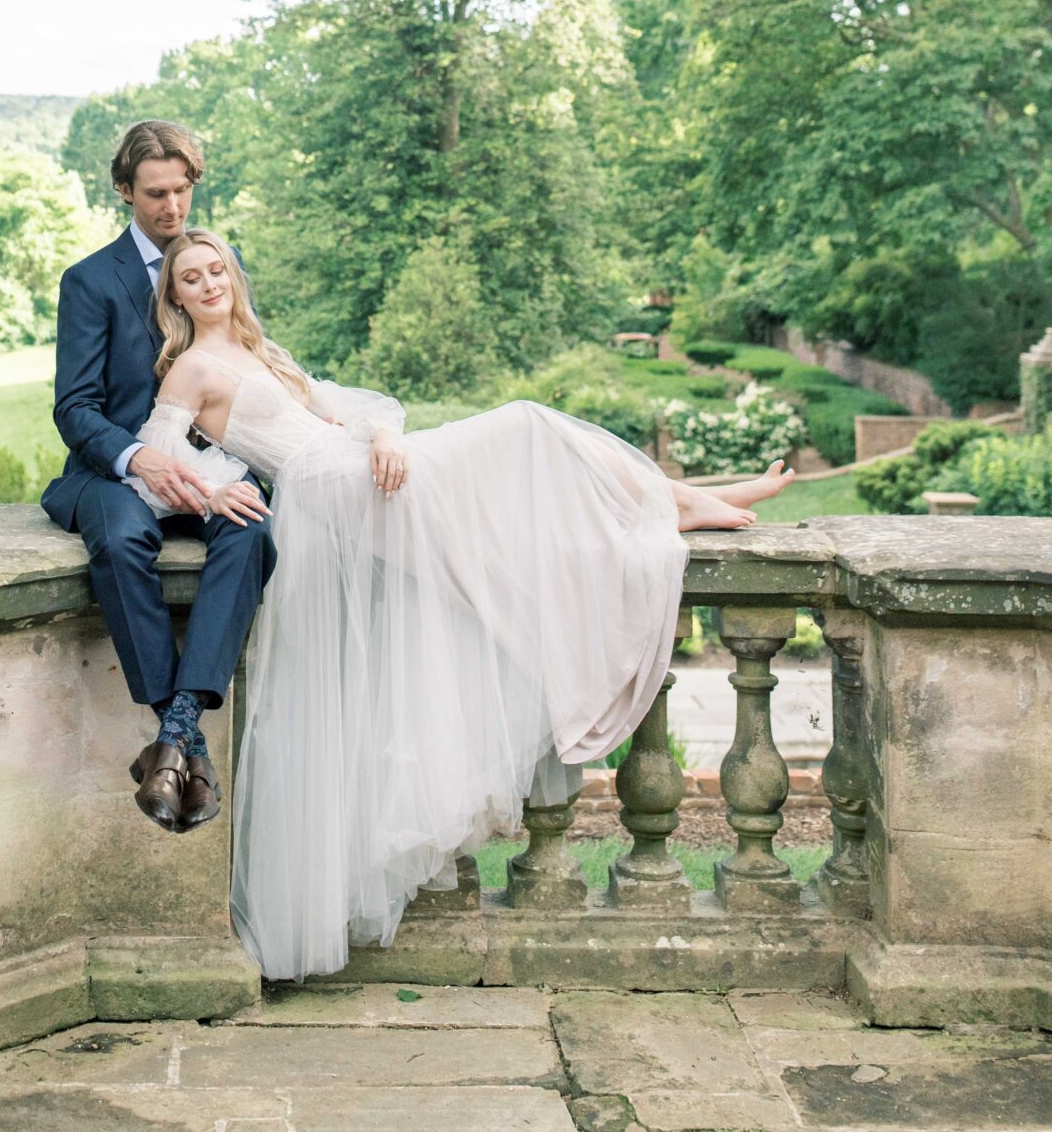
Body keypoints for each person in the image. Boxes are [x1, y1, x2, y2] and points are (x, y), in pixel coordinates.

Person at [129, 228, 794, 983]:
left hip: (362, 470)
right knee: (525, 427)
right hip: (334, 496)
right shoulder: (190, 368)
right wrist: (215, 489)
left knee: (525, 484)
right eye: (192, 276)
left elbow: (346, 405)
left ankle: (683, 502)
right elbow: (153, 464)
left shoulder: (259, 349)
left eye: (218, 268)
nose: (211, 282)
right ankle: (687, 503)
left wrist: (384, 434)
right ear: (175, 295)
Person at [40, 125, 275, 831]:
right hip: (112, 473)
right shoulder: (90, 281)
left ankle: (172, 735)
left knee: (251, 528)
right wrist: (139, 457)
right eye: (155, 193)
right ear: (123, 192)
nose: (172, 205)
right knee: (118, 541)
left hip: (211, 465)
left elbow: (250, 362)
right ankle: (187, 738)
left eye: (182, 190)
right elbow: (74, 407)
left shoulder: (215, 262)